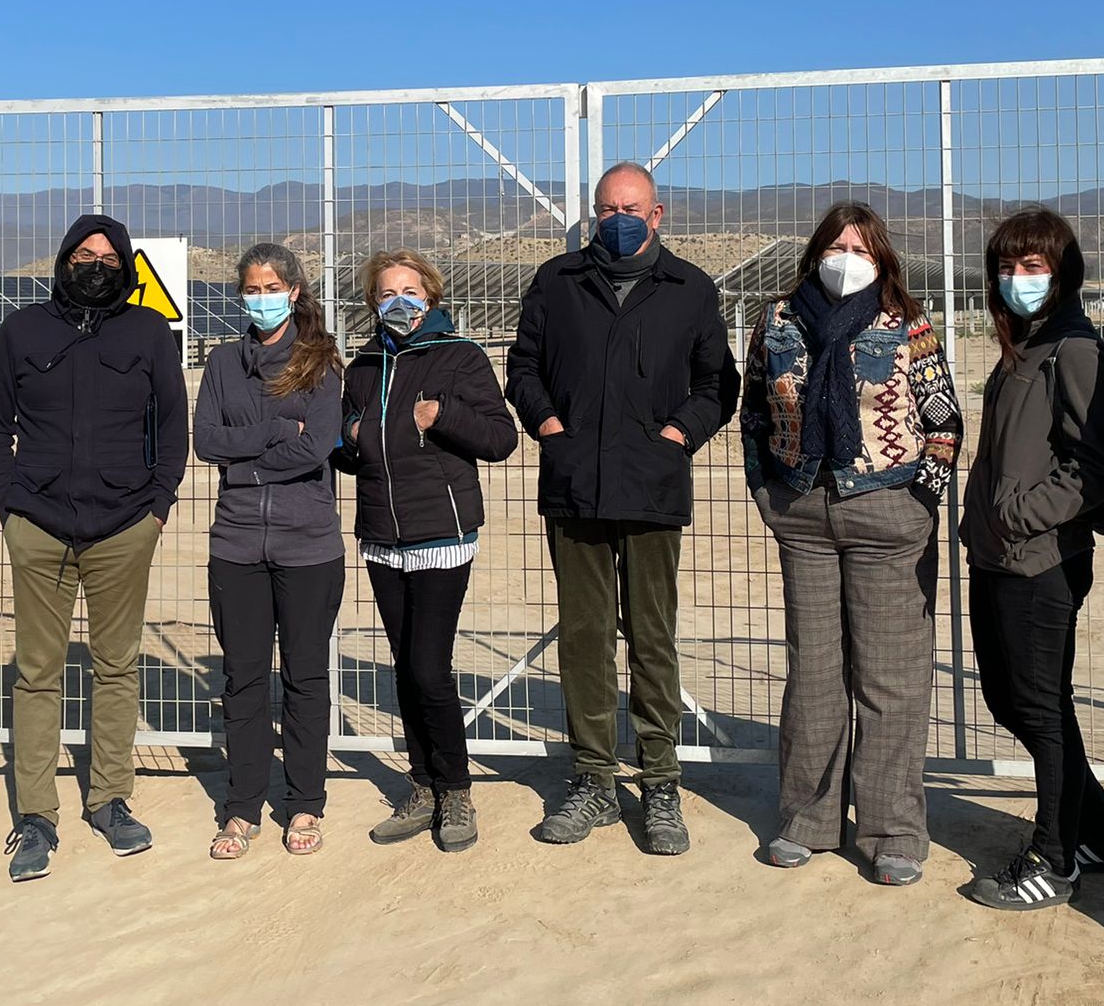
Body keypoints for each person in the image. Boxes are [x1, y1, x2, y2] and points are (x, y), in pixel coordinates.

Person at [505, 162, 740, 855]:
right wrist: (549, 425)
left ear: (658, 213)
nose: (618, 219)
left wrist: (677, 436)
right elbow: (523, 367)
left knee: (651, 636)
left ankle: (660, 782)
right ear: (594, 216)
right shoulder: (558, 281)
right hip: (575, 486)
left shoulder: (691, 290)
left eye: (630, 208)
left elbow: (716, 384)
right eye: (607, 209)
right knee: (583, 639)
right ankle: (593, 780)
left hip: (652, 489)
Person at [741, 202, 962, 886]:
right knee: (813, 672)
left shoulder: (906, 322)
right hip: (804, 513)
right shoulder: (777, 319)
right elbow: (753, 411)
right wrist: (765, 491)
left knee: (888, 678)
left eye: (860, 246)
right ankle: (808, 817)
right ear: (814, 252)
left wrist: (917, 500)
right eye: (836, 244)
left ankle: (893, 828)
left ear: (881, 256)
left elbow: (944, 418)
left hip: (886, 512)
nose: (847, 255)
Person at [0, 214, 187, 882]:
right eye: (83, 254)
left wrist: (155, 508)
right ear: (63, 260)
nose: (95, 265)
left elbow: (173, 427)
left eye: (108, 257)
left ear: (124, 267)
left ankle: (110, 800)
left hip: (124, 528)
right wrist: (10, 506)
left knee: (116, 666)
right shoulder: (22, 330)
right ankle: (36, 816)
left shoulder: (148, 331)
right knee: (38, 672)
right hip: (37, 526)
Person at [959, 207, 1104, 911]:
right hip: (1000, 556)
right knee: (1016, 702)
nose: (1018, 279)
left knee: (1038, 708)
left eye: (1033, 266)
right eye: (1007, 267)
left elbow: (1098, 465)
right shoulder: (1026, 346)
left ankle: (1055, 858)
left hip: (1039, 561)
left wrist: (1018, 515)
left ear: (1063, 274)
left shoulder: (1074, 349)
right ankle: (1103, 836)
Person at [333, 250, 518, 853]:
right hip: (383, 536)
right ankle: (421, 783)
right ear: (372, 303)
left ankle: (456, 788)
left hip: (443, 534)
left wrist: (443, 416)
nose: (399, 302)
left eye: (410, 290)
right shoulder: (363, 365)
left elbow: (499, 438)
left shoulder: (459, 357)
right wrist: (349, 437)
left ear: (432, 298)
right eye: (387, 293)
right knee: (404, 667)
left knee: (426, 668)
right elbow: (345, 443)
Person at [193, 242, 347, 860]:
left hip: (308, 545)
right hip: (234, 545)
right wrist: (277, 432)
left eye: (271, 287)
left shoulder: (322, 364)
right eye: (251, 288)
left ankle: (305, 802)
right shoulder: (223, 363)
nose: (260, 298)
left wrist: (246, 463)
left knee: (306, 677)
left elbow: (318, 451)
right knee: (244, 679)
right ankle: (242, 807)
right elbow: (206, 440)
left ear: (294, 291)